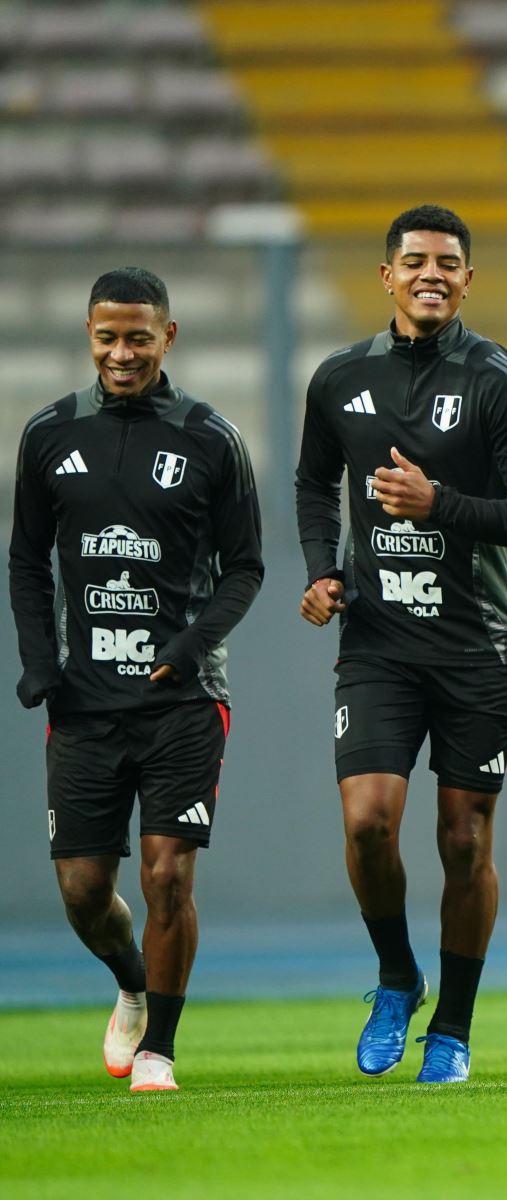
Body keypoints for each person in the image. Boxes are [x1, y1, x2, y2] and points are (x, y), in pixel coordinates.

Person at [296, 205, 507, 1085]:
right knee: (367, 825)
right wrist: (325, 570)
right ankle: (398, 976)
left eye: (448, 263)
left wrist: (440, 505)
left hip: (477, 644)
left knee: (464, 841)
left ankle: (457, 1027)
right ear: (387, 276)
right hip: (378, 643)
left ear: (469, 280)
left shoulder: (499, 381)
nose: (431, 274)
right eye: (415, 262)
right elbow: (313, 481)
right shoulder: (339, 379)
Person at [10, 267, 263, 1093]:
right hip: (84, 704)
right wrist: (40, 659)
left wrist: (191, 647)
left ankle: (160, 1045)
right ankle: (129, 982)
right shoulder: (49, 434)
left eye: (139, 338)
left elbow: (246, 567)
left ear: (168, 337)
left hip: (183, 702)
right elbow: (25, 561)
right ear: (89, 335)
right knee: (85, 890)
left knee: (167, 873)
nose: (122, 353)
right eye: (108, 337)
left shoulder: (210, 436)